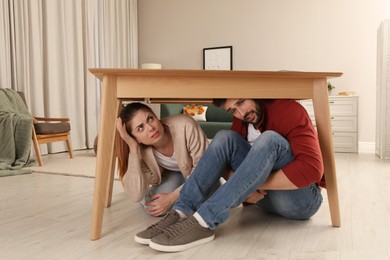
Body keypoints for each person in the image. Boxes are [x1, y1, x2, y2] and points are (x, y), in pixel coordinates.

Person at [135, 98, 324, 252]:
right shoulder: (242, 121)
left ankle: (205, 221)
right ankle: (182, 211)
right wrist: (246, 184)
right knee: (224, 137)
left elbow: (313, 169)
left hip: (301, 201)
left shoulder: (288, 109)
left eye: (241, 102)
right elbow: (225, 161)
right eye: (233, 110)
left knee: (270, 139)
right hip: (261, 201)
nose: (241, 113)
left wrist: (250, 184)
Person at [116, 102, 209, 222]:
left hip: (200, 173)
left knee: (205, 204)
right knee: (155, 207)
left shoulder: (186, 125)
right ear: (136, 139)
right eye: (140, 128)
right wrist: (133, 148)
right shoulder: (141, 149)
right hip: (174, 175)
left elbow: (204, 170)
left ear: (156, 116)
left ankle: (182, 200)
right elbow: (135, 195)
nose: (151, 128)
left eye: (150, 119)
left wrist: (173, 197)